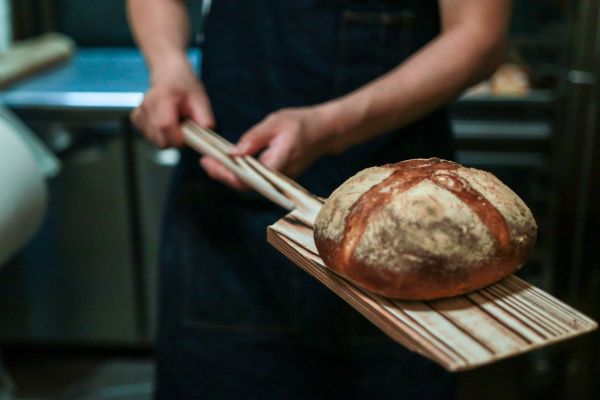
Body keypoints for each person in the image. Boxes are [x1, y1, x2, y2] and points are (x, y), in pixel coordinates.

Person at [127, 0, 511, 398]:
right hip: (224, 210)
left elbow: (478, 37)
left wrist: (331, 128)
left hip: (404, 227)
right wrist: (169, 65)